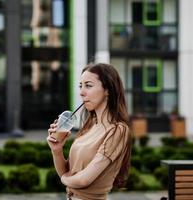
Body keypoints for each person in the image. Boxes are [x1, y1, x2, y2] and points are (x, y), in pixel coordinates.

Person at [47, 63, 131, 200]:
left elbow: (84, 180)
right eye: (80, 86)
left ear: (107, 90)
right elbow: (69, 171)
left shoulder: (117, 130)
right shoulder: (89, 127)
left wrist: (64, 179)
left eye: (88, 85)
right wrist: (56, 150)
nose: (81, 92)